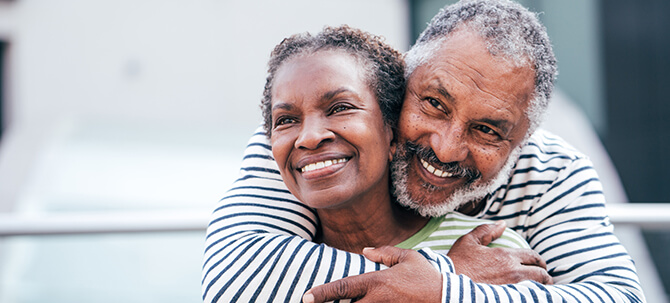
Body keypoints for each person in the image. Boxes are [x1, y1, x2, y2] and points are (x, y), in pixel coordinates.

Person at [203, 0, 645, 302]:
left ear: (523, 139)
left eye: (488, 130)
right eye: (434, 104)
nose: (447, 148)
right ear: (402, 81)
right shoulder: (307, 145)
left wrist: (439, 292)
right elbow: (238, 278)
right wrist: (448, 276)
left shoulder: (554, 171)